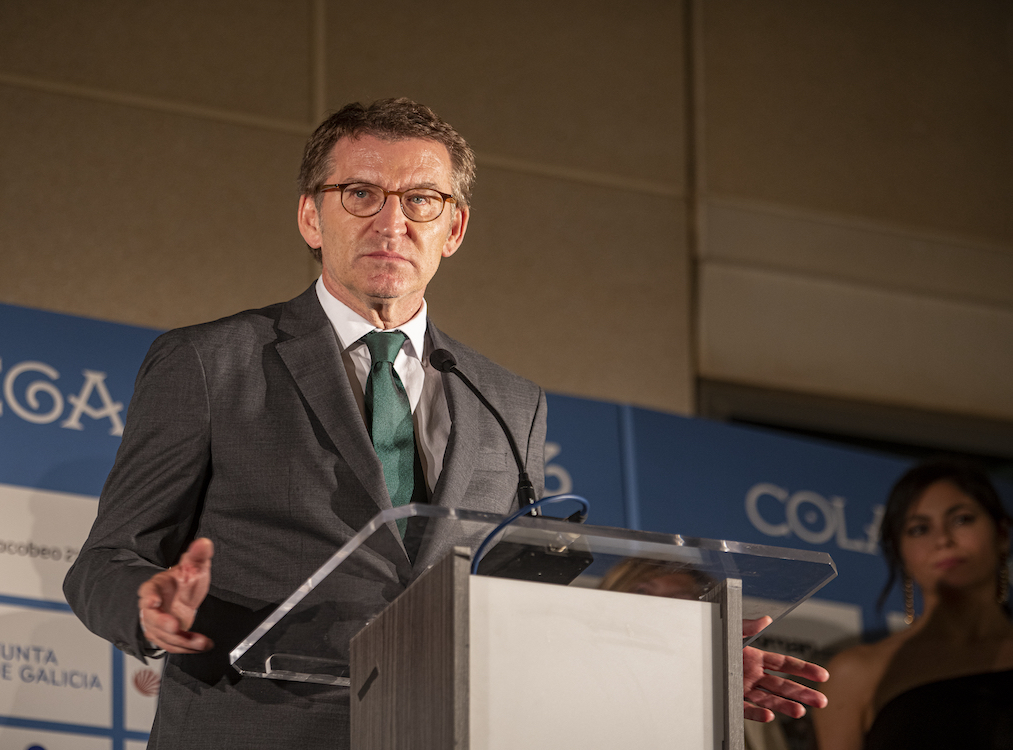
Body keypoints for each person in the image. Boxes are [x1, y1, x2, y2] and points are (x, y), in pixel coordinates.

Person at [64, 97, 827, 748]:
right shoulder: (210, 362)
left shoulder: (508, 399)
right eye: (360, 193)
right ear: (310, 215)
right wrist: (148, 606)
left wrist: (679, 658)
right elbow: (105, 560)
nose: (391, 222)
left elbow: (518, 609)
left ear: (452, 229)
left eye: (419, 200)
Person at [813, 459, 1013, 750]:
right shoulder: (857, 673)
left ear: (1002, 534)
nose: (943, 540)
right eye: (919, 529)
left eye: (962, 520)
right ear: (899, 552)